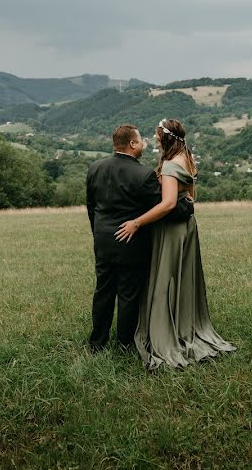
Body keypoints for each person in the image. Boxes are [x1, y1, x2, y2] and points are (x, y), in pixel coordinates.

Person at [115, 118, 236, 369]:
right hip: (187, 228)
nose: (155, 140)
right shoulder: (188, 158)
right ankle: (184, 323)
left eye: (158, 136)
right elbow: (190, 198)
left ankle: (164, 333)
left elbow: (169, 203)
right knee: (181, 277)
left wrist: (137, 223)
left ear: (166, 138)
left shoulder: (170, 165)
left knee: (164, 278)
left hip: (170, 229)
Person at [86, 125, 158, 352]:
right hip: (132, 244)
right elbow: (159, 208)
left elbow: (91, 207)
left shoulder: (95, 168)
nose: (144, 143)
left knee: (103, 291)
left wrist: (98, 232)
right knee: (128, 294)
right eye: (141, 140)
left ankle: (97, 343)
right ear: (132, 144)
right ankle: (124, 344)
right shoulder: (144, 174)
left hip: (103, 241)